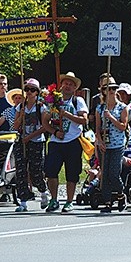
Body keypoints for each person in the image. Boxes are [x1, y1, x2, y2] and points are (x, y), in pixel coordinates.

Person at [43, 72, 89, 213]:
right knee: (50, 171)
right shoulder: (54, 101)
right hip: (56, 141)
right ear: (61, 85)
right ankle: (54, 199)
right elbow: (45, 121)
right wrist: (55, 132)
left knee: (72, 172)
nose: (67, 86)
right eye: (66, 83)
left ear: (75, 88)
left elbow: (84, 120)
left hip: (73, 140)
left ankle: (69, 201)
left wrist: (67, 114)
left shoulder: (78, 101)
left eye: (71, 84)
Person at [13, 78, 50, 212]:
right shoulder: (20, 107)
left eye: (32, 90)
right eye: (27, 89)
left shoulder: (41, 107)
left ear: (37, 92)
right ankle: (23, 201)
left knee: (36, 170)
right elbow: (15, 126)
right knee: (21, 171)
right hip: (22, 141)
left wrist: (29, 137)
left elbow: (44, 127)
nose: (29, 92)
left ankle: (43, 190)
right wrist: (21, 116)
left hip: (36, 142)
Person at [95, 81, 129, 213]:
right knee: (105, 175)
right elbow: (97, 128)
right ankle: (107, 201)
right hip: (104, 145)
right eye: (109, 89)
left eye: (114, 89)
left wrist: (110, 117)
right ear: (104, 91)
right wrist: (100, 141)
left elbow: (122, 126)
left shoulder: (122, 108)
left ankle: (121, 194)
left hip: (117, 144)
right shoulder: (100, 108)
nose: (112, 91)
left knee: (114, 173)